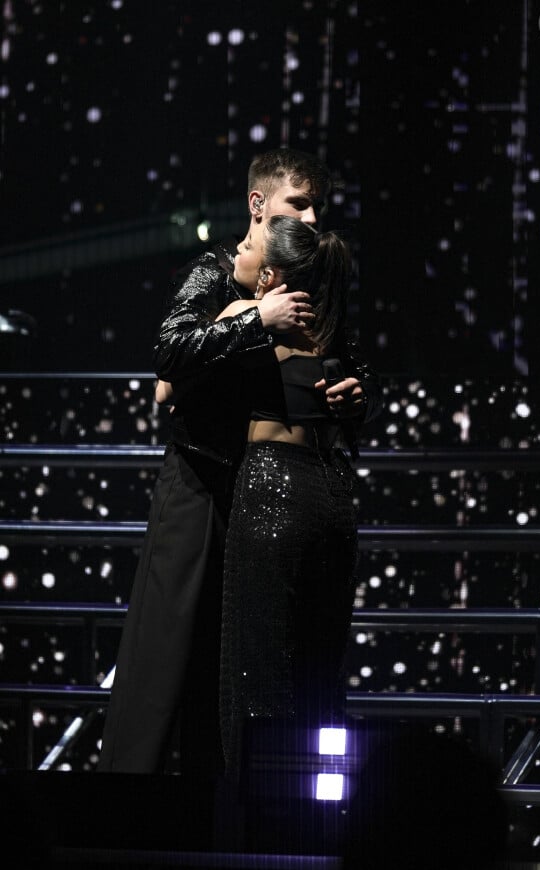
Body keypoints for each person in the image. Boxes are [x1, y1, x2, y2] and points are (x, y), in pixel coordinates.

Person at [97, 148, 383, 777]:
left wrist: (353, 399)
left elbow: (345, 371)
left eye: (317, 207)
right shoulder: (216, 273)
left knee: (241, 659)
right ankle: (127, 802)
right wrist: (258, 317)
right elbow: (168, 362)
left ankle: (221, 801)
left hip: (268, 493)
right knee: (167, 651)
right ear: (259, 206)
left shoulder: (310, 281)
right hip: (201, 486)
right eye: (298, 203)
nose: (310, 217)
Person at [208, 215, 378, 778]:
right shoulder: (331, 335)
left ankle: (256, 807)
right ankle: (322, 807)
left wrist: (253, 314)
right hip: (332, 494)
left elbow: (170, 380)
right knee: (319, 665)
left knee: (257, 661)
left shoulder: (244, 318)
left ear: (271, 274)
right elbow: (353, 412)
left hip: (271, 489)